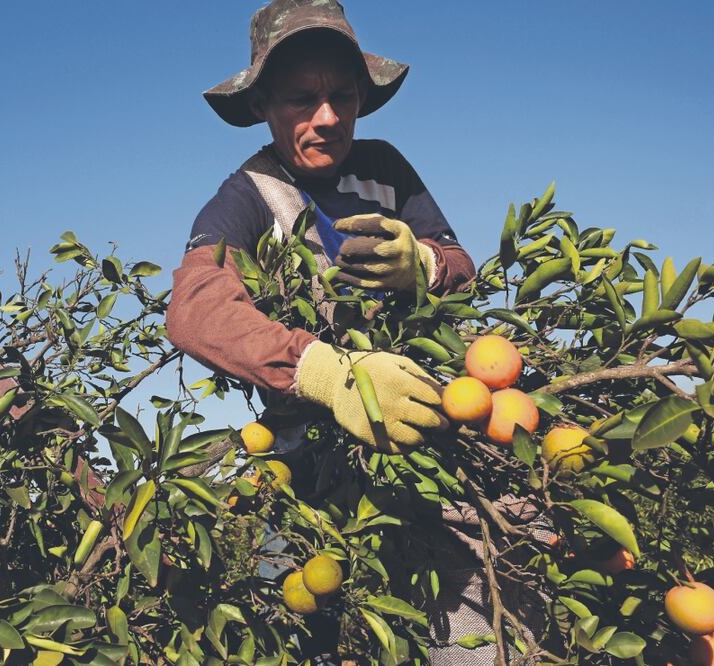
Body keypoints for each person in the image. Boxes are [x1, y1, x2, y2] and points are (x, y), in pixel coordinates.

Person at [167, 1, 535, 662]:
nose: (327, 117)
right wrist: (322, 371)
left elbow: (458, 264)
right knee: (289, 608)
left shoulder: (386, 169)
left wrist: (421, 266)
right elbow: (195, 305)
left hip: (420, 425)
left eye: (342, 96)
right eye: (302, 99)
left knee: (473, 594)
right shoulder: (245, 197)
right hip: (305, 444)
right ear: (263, 107)